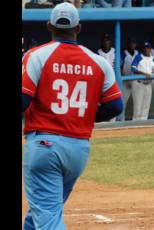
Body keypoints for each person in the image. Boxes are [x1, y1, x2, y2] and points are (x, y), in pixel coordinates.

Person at [22, 3, 123, 229]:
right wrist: (84, 116)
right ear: (78, 28)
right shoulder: (98, 62)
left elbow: (23, 100)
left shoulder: (36, 56)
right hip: (78, 149)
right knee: (42, 211)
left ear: (49, 26)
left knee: (47, 214)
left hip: (44, 144)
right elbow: (115, 106)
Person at [130, 42, 154, 120]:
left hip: (148, 84)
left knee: (146, 106)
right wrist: (143, 74)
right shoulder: (138, 57)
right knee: (138, 106)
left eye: (148, 48)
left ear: (150, 49)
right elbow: (133, 69)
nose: (146, 49)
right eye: (145, 48)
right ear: (142, 49)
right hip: (138, 83)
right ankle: (135, 124)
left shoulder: (153, 59)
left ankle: (143, 124)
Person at [120, 38, 139, 121]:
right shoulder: (123, 53)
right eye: (130, 43)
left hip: (136, 81)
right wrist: (123, 76)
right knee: (123, 103)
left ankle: (137, 120)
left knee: (137, 102)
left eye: (134, 43)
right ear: (127, 44)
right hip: (125, 81)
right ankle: (121, 120)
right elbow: (119, 67)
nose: (132, 45)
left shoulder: (138, 53)